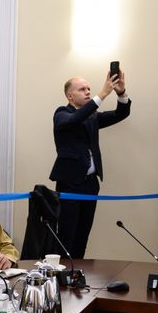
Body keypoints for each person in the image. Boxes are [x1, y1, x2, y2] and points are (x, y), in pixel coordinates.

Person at [49, 70, 131, 259]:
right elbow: (74, 119)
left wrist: (120, 92)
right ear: (70, 96)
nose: (87, 92)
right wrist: (102, 94)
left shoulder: (92, 116)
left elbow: (121, 113)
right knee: (67, 235)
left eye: (89, 89)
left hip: (91, 184)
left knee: (83, 235)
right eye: (82, 89)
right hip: (70, 183)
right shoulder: (61, 114)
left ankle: (77, 273)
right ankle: (63, 274)